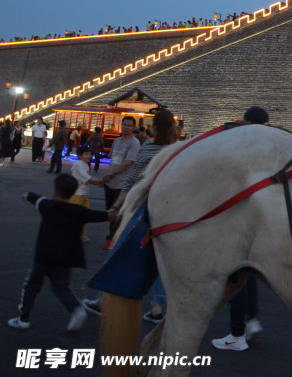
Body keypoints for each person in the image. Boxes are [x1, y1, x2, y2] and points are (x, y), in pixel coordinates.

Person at [84, 110, 178, 318]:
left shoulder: (148, 148)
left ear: (154, 127)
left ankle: (103, 300)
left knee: (121, 251)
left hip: (143, 209)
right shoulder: (179, 150)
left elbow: (131, 181)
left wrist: (117, 206)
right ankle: (158, 308)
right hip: (171, 211)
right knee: (163, 261)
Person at [7, 173, 115, 331]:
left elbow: (36, 198)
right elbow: (101, 216)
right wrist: (112, 213)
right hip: (65, 259)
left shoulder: (47, 206)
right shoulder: (79, 211)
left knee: (31, 286)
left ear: (54, 192)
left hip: (43, 257)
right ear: (73, 192)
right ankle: (77, 310)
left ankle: (23, 318)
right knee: (62, 288)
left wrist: (27, 195)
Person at [211, 106, 269, 351]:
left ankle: (237, 334)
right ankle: (251, 320)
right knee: (248, 271)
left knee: (235, 273)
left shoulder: (239, 145)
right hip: (260, 218)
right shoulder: (269, 147)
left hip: (236, 218)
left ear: (245, 122)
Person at [101, 117, 141, 249]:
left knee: (117, 211)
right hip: (111, 182)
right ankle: (114, 236)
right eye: (124, 125)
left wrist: (112, 173)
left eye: (129, 125)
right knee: (110, 210)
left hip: (123, 183)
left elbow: (128, 162)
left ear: (134, 127)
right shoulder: (117, 141)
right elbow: (112, 159)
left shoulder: (134, 143)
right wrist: (109, 174)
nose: (126, 127)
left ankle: (112, 239)